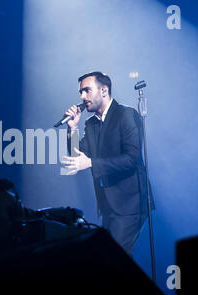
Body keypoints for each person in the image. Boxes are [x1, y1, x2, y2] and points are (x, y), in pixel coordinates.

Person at [61, 71, 154, 256]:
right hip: (109, 204)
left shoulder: (126, 115)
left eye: (87, 90)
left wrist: (91, 164)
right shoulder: (91, 124)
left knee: (113, 257)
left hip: (131, 204)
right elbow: (77, 155)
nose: (82, 97)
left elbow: (131, 158)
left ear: (104, 90)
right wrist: (72, 129)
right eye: (81, 92)